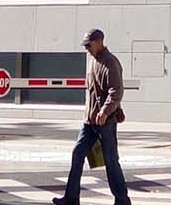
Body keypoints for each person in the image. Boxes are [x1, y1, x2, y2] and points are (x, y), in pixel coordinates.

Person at [53, 28, 129, 205]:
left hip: (105, 122)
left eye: (89, 44)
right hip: (90, 121)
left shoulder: (110, 63)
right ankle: (71, 198)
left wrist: (106, 110)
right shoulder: (92, 61)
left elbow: (116, 90)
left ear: (99, 41)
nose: (86, 48)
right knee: (77, 154)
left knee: (111, 161)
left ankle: (122, 200)